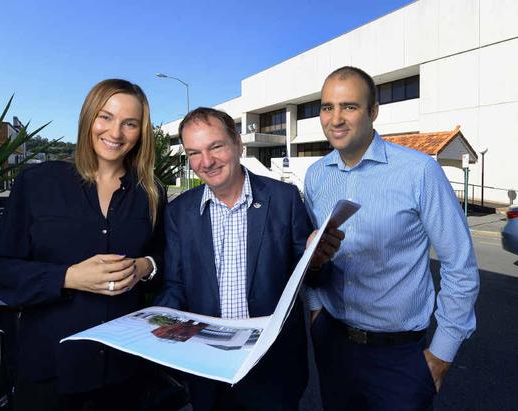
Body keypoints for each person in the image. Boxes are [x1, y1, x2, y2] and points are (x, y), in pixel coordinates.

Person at [0, 79, 166, 410]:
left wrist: (145, 267)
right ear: (88, 118)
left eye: (130, 123)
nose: (116, 132)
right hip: (51, 369)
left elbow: (163, 259)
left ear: (141, 132)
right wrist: (67, 278)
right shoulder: (38, 183)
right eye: (105, 117)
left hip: (125, 371)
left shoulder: (150, 193)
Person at [304, 66, 480, 410]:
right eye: (327, 107)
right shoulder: (315, 176)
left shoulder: (419, 172)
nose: (335, 118)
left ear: (373, 112)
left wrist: (442, 353)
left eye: (349, 107)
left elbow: (460, 265)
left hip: (399, 359)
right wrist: (315, 312)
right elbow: (314, 255)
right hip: (333, 345)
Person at [156, 107, 332, 411]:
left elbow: (313, 278)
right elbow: (175, 285)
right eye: (194, 152)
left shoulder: (285, 200)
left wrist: (319, 258)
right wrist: (156, 326)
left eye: (216, 146)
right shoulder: (178, 212)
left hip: (272, 368)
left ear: (237, 143)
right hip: (207, 367)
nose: (206, 162)